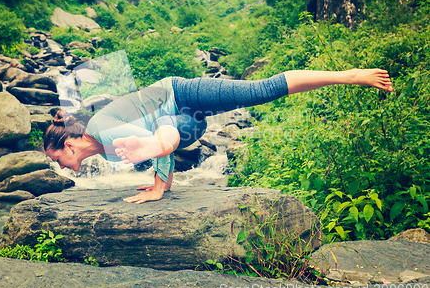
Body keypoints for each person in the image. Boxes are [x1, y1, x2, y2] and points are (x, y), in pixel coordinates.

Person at [44, 69, 393, 204]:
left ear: (69, 144)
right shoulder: (105, 153)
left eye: (57, 158)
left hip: (186, 93)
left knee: (260, 90)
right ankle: (160, 145)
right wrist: (161, 185)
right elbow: (164, 137)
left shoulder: (101, 129)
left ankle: (350, 75)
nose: (61, 166)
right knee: (167, 129)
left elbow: (157, 139)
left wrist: (157, 184)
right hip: (184, 124)